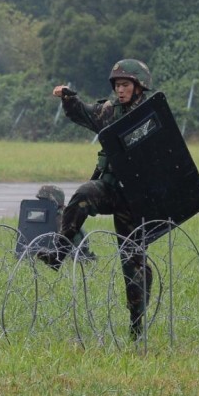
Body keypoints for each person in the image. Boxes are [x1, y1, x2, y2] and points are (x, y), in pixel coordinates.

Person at [51, 58, 154, 339]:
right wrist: (69, 99)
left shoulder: (152, 116)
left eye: (125, 85)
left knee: (132, 261)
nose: (120, 90)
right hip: (109, 189)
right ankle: (60, 250)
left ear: (138, 86)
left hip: (134, 200)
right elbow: (84, 113)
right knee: (83, 194)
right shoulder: (110, 111)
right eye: (117, 85)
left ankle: (136, 323)